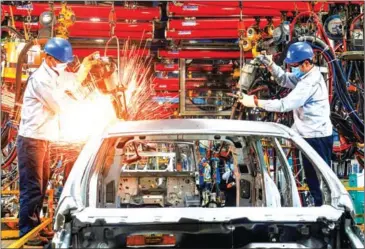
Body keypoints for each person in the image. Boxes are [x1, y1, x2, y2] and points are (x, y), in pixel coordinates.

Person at [16, 37, 98, 246]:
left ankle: (35, 228)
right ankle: (27, 231)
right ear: (50, 59)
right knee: (32, 188)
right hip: (31, 140)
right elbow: (60, 105)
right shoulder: (41, 80)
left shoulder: (55, 73)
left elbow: (72, 81)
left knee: (41, 187)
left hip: (43, 140)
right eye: (62, 61)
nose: (64, 65)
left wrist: (86, 66)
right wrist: (86, 106)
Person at [238, 42, 333, 207]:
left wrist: (254, 102)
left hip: (317, 137)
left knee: (321, 179)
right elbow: (283, 79)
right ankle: (319, 208)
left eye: (294, 66)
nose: (292, 69)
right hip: (308, 135)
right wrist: (270, 63)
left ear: (306, 63)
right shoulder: (304, 75)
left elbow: (284, 105)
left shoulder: (309, 83)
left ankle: (326, 210)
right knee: (311, 178)